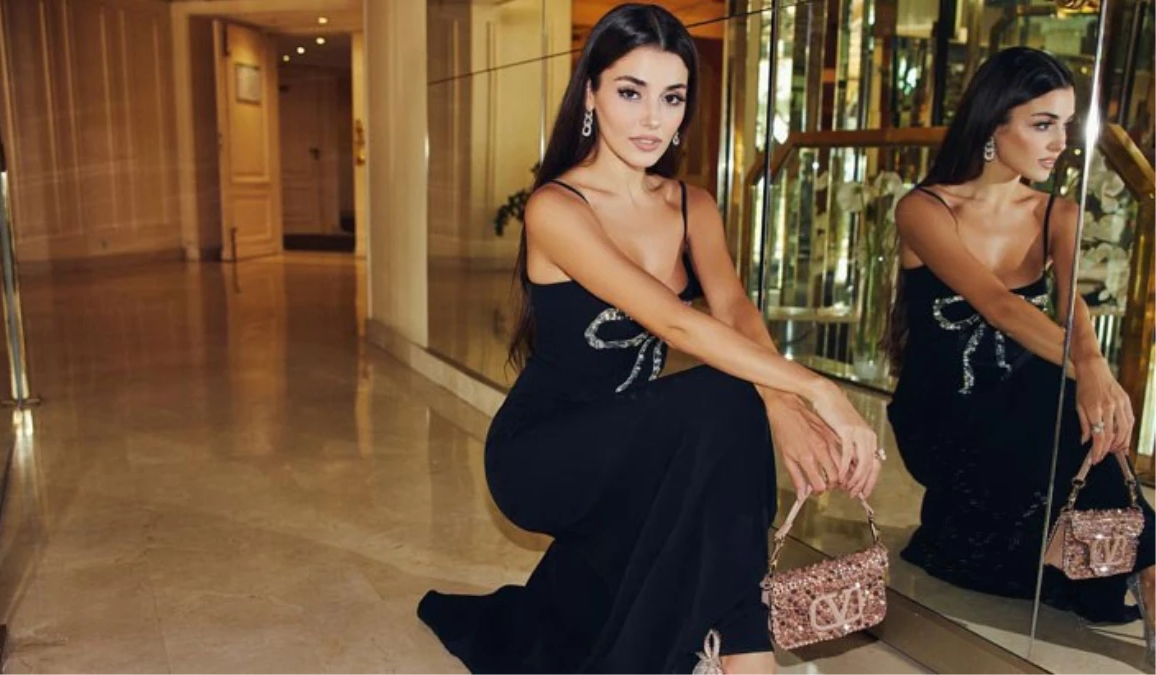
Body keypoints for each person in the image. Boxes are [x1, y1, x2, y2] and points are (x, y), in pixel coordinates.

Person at [417, 4, 882, 674]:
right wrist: (817, 389)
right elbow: (676, 322)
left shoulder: (693, 205)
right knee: (723, 397)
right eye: (631, 93)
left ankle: (739, 650)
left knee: (734, 408)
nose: (652, 120)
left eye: (672, 97)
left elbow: (734, 308)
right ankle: (749, 658)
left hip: (628, 443)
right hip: (542, 454)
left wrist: (780, 403)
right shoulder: (556, 207)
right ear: (591, 94)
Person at [884, 46, 1156, 659]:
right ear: (993, 124)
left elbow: (1073, 307)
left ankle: (1147, 568)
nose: (1060, 142)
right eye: (1042, 124)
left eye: (1066, 124)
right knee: (1063, 394)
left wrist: (1095, 369)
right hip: (943, 416)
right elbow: (998, 305)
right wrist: (1089, 371)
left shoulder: (1058, 212)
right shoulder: (923, 209)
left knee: (1071, 405)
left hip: (1025, 413)